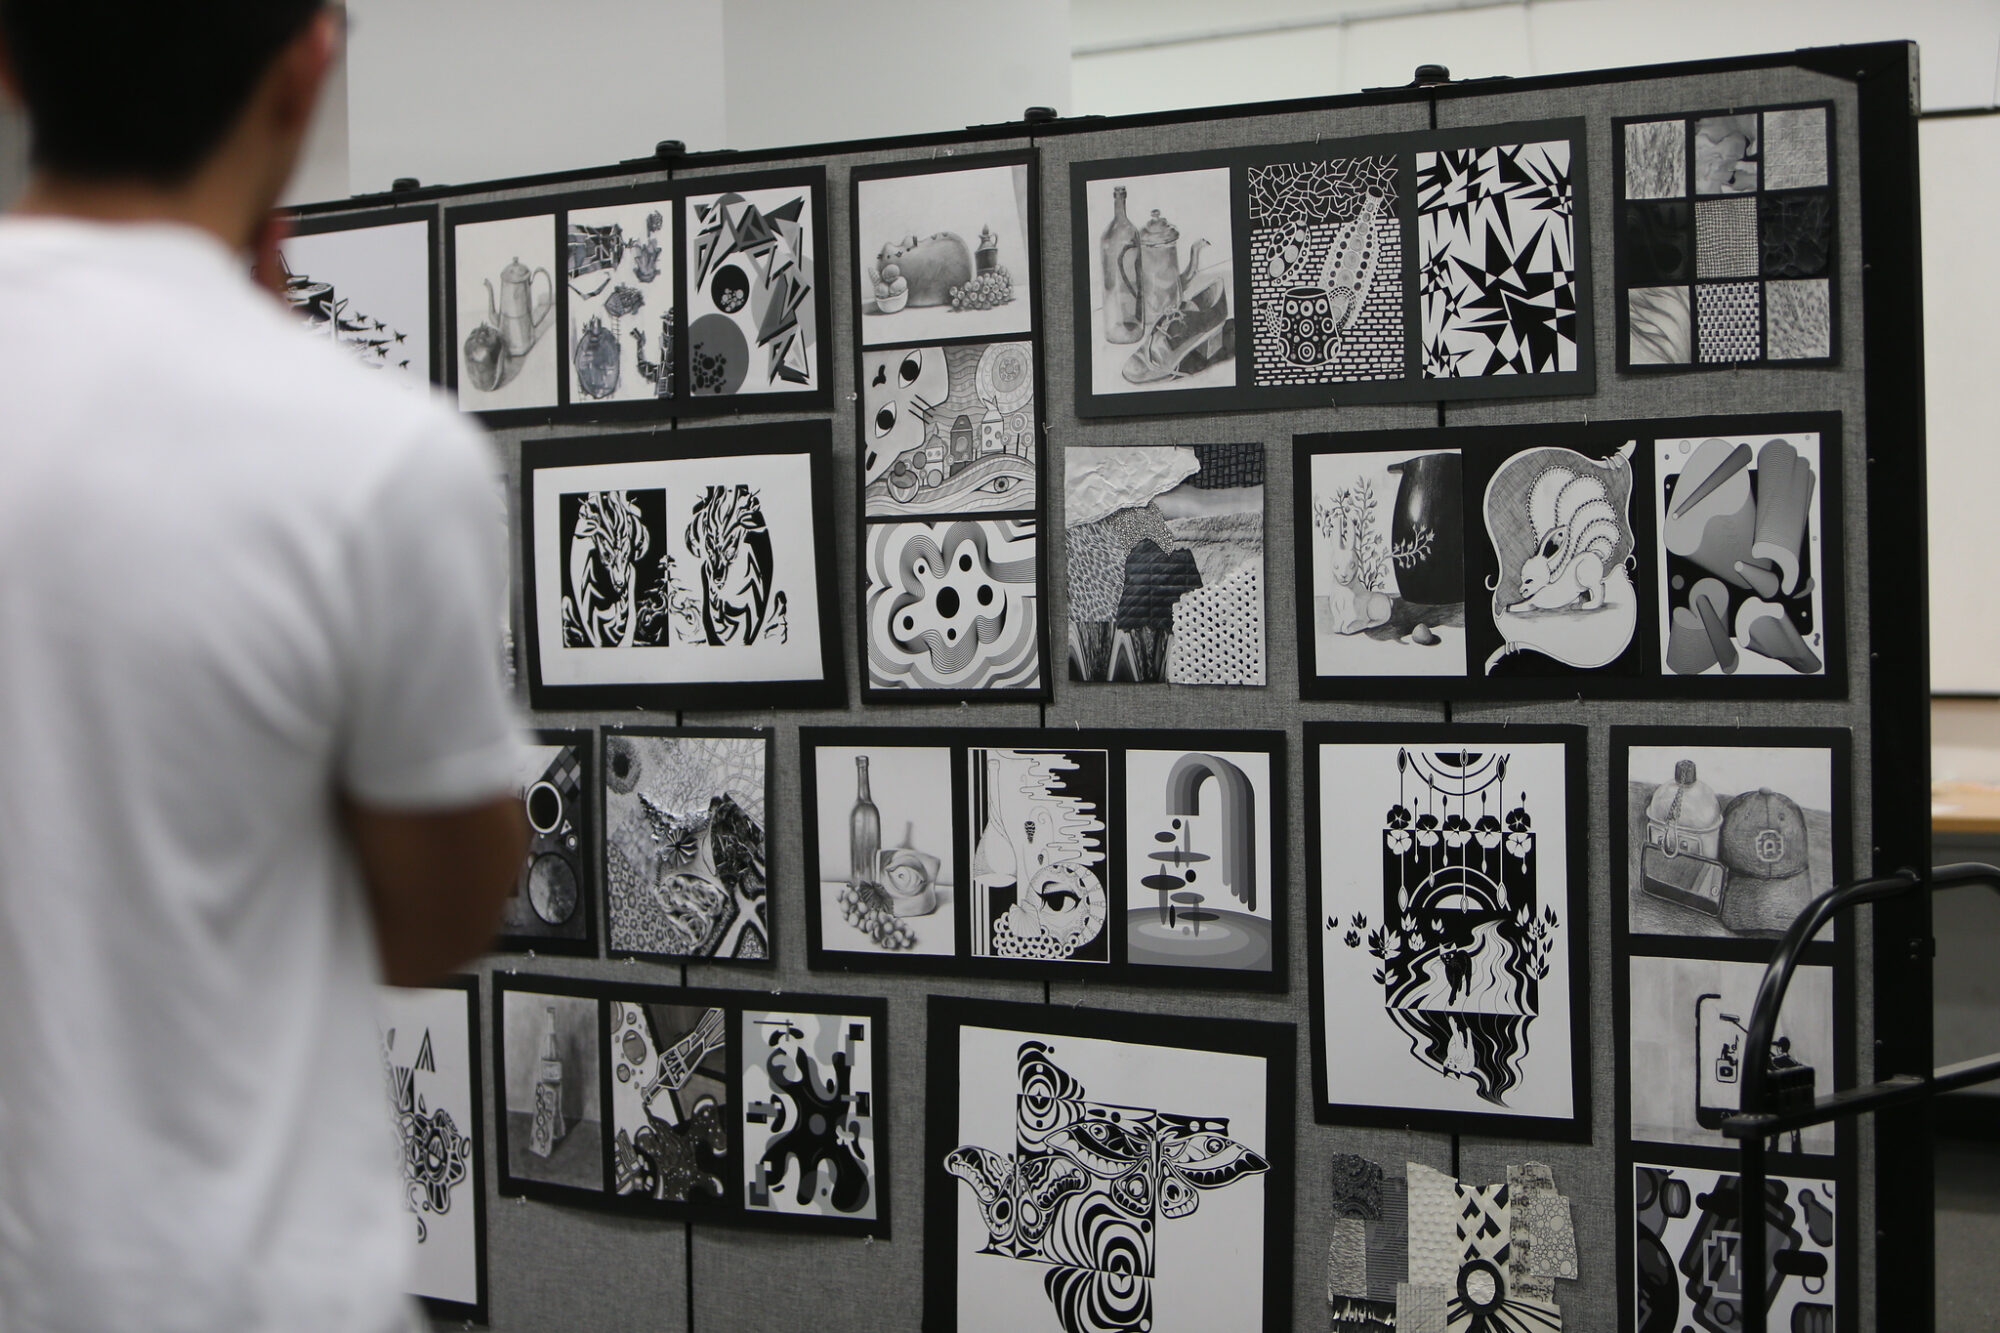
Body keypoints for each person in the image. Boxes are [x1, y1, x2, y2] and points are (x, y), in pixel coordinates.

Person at [0, 4, 526, 1331]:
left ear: (7, 66)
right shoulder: (374, 458)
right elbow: (435, 922)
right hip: (257, 1287)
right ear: (309, 61)